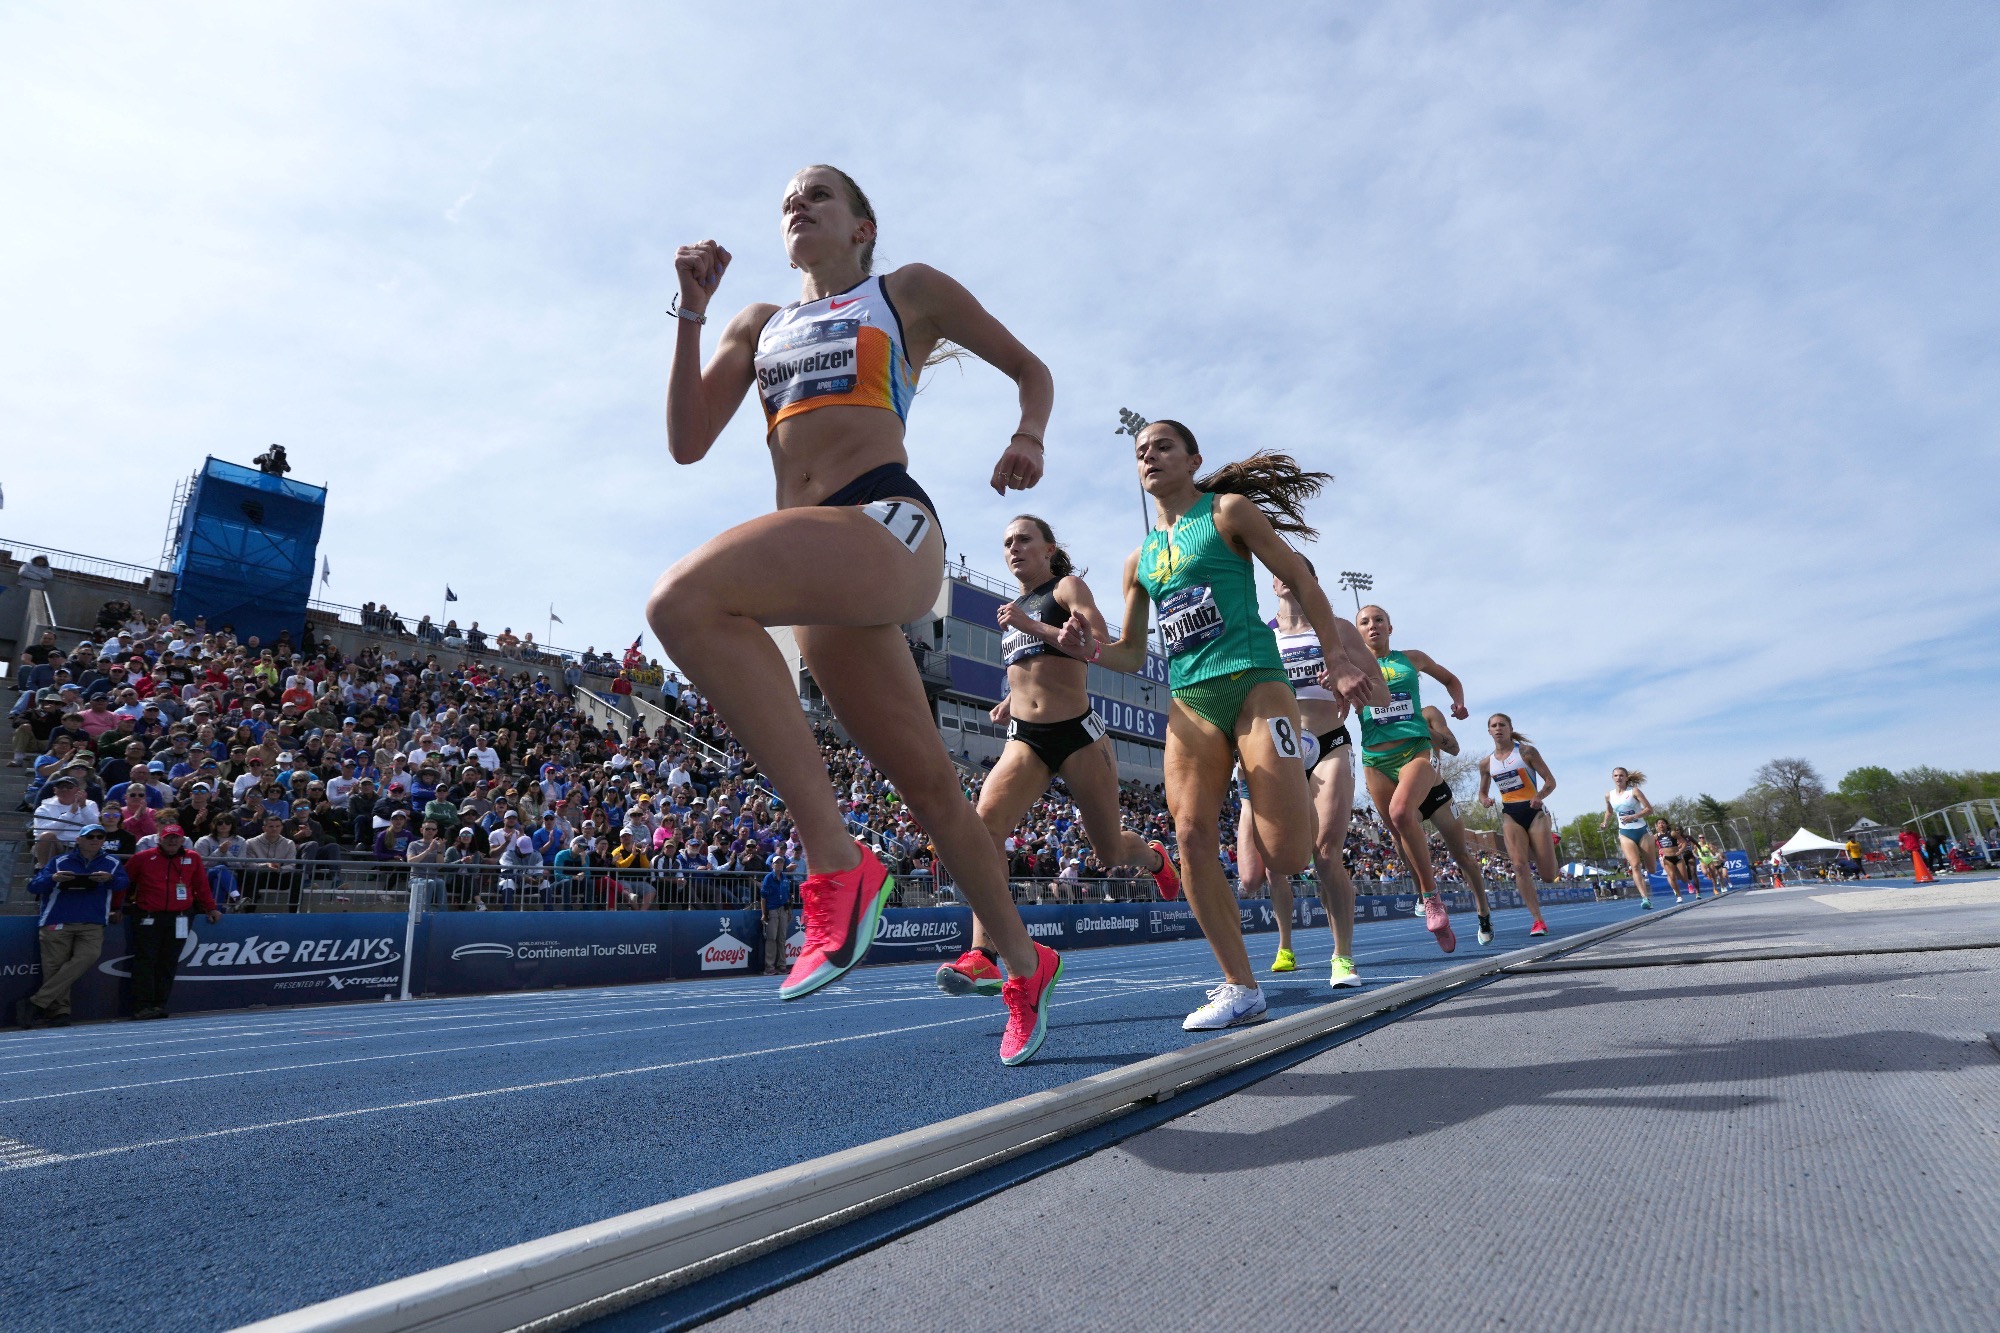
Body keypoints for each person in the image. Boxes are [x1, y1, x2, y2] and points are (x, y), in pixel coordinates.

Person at [649, 166, 1064, 1064]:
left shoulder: (904, 291)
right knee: (935, 796)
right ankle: (1026, 965)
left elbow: (1032, 368)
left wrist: (1028, 432)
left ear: (862, 226)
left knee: (681, 601)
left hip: (885, 523)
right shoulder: (758, 323)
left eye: (819, 194)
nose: (796, 204)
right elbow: (686, 442)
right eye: (788, 198)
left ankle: (835, 858)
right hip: (816, 567)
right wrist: (689, 311)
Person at [1059, 422, 1382, 1029]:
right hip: (1190, 700)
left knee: (1288, 854)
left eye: (1162, 447)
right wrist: (1086, 646)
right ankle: (1239, 984)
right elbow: (1129, 653)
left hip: (1257, 683)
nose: (1149, 457)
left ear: (1193, 459)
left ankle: (1292, 784)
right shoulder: (1140, 559)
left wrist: (1337, 659)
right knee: (1188, 835)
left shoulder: (1229, 511)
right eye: (1140, 452)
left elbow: (1303, 578)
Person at [934, 516, 1178, 999]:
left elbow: (1095, 638)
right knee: (982, 832)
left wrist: (1033, 625)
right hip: (1027, 739)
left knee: (1109, 852)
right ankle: (983, 955)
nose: (1014, 548)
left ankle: (1154, 858)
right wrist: (1011, 701)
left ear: (1048, 549)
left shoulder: (1064, 587)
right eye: (1007, 542)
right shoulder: (1013, 610)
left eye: (1024, 539)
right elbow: (1029, 673)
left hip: (1079, 737)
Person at [1231, 557, 1368, 984]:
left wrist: (1350, 681)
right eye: (1281, 570)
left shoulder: (1337, 628)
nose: (1289, 577)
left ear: (1311, 580)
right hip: (1280, 752)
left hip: (1328, 743)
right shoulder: (1260, 635)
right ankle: (1285, 944)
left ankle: (1342, 956)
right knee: (1258, 873)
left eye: (1300, 571)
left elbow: (1377, 688)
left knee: (1326, 854)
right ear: (1272, 583)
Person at [1352, 604, 1469, 953]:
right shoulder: (1351, 664)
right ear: (1357, 631)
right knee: (1397, 831)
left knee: (1403, 813)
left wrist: (1458, 703)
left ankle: (1432, 898)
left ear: (1390, 627)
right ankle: (1426, 895)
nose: (1372, 626)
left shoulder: (1412, 659)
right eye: (1364, 622)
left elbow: (1451, 680)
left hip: (1415, 751)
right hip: (1375, 758)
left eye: (1378, 621)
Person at [19, 825, 128, 1028]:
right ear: (79, 839)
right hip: (57, 918)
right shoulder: (60, 861)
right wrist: (53, 878)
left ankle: (37, 1002)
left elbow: (123, 883)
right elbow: (34, 886)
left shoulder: (112, 863)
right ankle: (59, 1012)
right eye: (90, 836)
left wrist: (110, 879)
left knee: (88, 957)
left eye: (99, 837)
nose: (95, 840)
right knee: (55, 969)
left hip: (92, 922)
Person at [1474, 712, 1558, 938]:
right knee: (1519, 866)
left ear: (1510, 728)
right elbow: (1482, 793)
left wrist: (1540, 795)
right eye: (1494, 725)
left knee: (1549, 876)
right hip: (1511, 814)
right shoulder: (1486, 763)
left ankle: (1546, 842)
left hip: (1534, 812)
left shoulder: (1526, 752)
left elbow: (1551, 781)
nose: (1498, 728)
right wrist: (1485, 800)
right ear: (1489, 731)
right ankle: (1538, 921)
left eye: (1502, 724)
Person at [121, 825, 219, 1020]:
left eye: (176, 838)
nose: (172, 841)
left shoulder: (193, 858)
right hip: (149, 916)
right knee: (145, 961)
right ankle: (142, 1006)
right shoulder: (142, 857)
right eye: (168, 838)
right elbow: (123, 882)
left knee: (168, 962)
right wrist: (117, 906)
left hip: (180, 917)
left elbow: (201, 885)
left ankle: (159, 1004)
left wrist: (211, 907)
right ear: (160, 839)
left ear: (183, 840)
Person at [1602, 767, 1657, 907]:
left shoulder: (1634, 791)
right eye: (1615, 775)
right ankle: (1645, 899)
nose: (1618, 778)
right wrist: (1605, 822)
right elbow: (1609, 811)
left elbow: (1649, 810)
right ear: (1612, 778)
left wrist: (1634, 816)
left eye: (1621, 775)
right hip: (1625, 833)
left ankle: (1653, 843)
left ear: (1626, 778)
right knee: (1635, 865)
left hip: (1642, 831)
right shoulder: (1609, 795)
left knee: (1651, 869)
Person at [761, 854, 796, 973]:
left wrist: (789, 910)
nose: (779, 864)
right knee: (771, 937)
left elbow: (787, 896)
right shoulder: (768, 878)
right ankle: (769, 966)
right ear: (772, 865)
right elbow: (763, 898)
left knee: (782, 938)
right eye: (777, 863)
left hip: (784, 909)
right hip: (772, 909)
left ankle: (782, 965)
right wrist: (764, 913)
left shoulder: (785, 878)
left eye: (781, 862)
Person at [1654, 817, 1700, 901]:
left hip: (1677, 857)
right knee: (1671, 877)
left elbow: (1684, 842)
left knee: (1684, 879)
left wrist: (1681, 850)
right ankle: (1679, 896)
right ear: (1657, 826)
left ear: (1666, 825)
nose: (1661, 825)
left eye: (1663, 823)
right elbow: (1650, 846)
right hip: (1667, 858)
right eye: (1659, 823)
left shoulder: (1672, 833)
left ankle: (1688, 883)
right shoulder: (1656, 836)